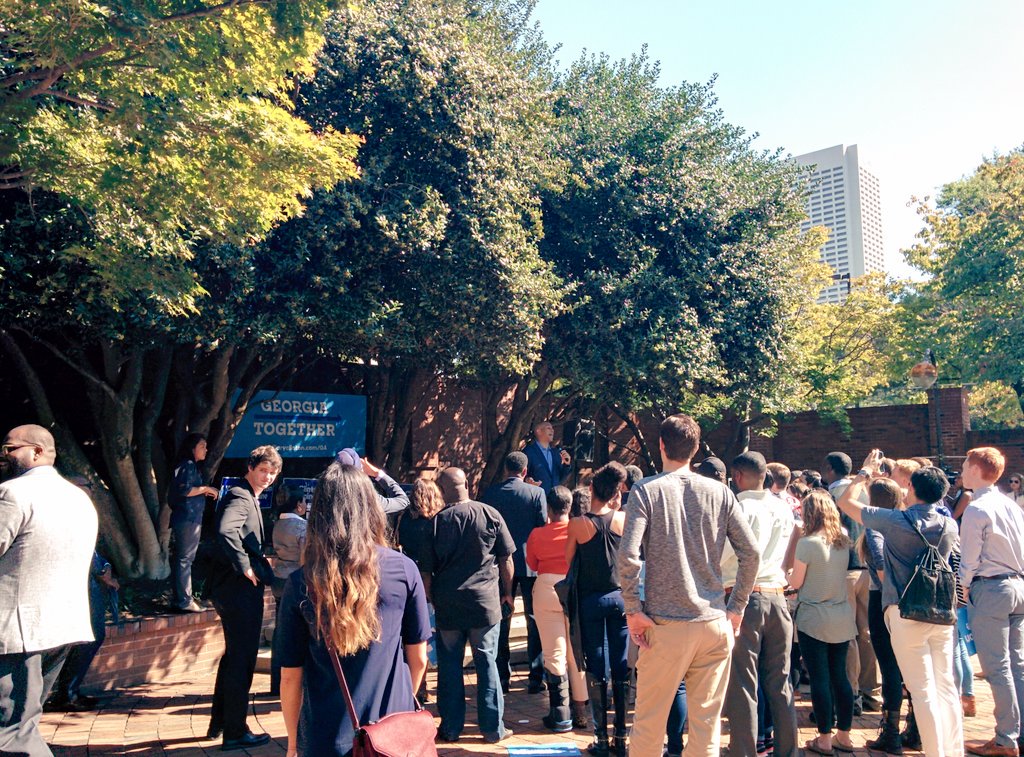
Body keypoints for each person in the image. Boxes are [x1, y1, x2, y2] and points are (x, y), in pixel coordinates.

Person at [618, 414, 760, 757]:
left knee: (649, 728)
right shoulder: (721, 492)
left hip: (665, 625)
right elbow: (751, 553)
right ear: (695, 450)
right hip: (713, 622)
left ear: (662, 445)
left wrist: (633, 610)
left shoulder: (646, 490)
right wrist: (736, 608)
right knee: (706, 729)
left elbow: (627, 556)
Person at [278, 463, 430, 757]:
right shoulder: (403, 569)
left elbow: (290, 676)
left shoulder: (301, 583)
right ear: (370, 508)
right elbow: (420, 658)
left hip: (325, 736)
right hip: (391, 734)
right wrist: (402, 700)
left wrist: (293, 743)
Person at [836, 451, 962, 757]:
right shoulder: (949, 525)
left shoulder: (897, 521)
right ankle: (952, 750)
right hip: (942, 611)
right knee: (945, 687)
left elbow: (846, 503)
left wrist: (864, 473)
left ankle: (936, 753)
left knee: (923, 691)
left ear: (913, 489)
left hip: (904, 611)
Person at [0, 424, 98, 755]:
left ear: (38, 451)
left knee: (11, 734)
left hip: (18, 631)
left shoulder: (13, 493)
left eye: (10, 449)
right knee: (23, 726)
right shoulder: (79, 498)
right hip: (61, 627)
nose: (4, 456)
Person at [420, 467, 516, 744]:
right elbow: (506, 559)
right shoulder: (490, 514)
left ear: (442, 490)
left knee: (450, 666)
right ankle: (492, 728)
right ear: (466, 485)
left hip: (449, 603)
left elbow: (426, 571)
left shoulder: (436, 523)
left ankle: (451, 727)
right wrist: (508, 593)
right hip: (484, 603)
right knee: (487, 663)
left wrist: (432, 600)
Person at [721, 452, 798, 757]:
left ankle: (744, 751)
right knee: (780, 682)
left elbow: (725, 554)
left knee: (743, 682)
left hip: (744, 598)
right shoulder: (783, 507)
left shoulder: (740, 507)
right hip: (778, 597)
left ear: (737, 476)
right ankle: (788, 751)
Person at [206, 445, 281, 750]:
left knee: (234, 657)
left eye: (273, 472)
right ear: (250, 467)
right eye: (263, 470)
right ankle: (235, 731)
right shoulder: (240, 494)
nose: (268, 477)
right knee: (242, 660)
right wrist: (245, 565)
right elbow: (226, 531)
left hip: (229, 589)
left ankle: (221, 722)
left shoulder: (245, 493)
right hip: (237, 590)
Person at [958, 447, 1024, 757]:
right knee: (1016, 664)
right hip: (1017, 585)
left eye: (964, 466)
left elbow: (968, 558)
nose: (960, 472)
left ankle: (1005, 738)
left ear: (974, 469)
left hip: (991, 588)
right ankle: (1015, 734)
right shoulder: (1011, 505)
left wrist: (964, 587)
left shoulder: (977, 508)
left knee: (998, 669)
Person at [566, 462, 629, 755]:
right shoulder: (623, 520)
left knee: (596, 665)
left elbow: (568, 562)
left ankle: (601, 737)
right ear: (615, 493)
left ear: (592, 489)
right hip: (619, 597)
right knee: (621, 664)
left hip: (590, 600)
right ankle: (621, 736)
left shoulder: (578, 524)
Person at [788, 490, 857, 755]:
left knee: (819, 678)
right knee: (840, 676)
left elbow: (795, 583)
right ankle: (845, 735)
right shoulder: (843, 538)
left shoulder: (807, 543)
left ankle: (825, 738)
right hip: (840, 614)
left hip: (813, 616)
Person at [481, 451, 547, 694]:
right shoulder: (536, 493)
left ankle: (502, 675)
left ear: (506, 469)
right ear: (525, 471)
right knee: (533, 618)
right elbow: (541, 525)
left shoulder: (491, 494)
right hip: (530, 560)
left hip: (500, 562)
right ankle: (535, 676)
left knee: (502, 617)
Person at [526, 485, 589, 732]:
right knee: (576, 652)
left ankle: (560, 713)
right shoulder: (580, 530)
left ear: (548, 508)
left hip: (546, 587)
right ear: (570, 506)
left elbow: (531, 562)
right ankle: (581, 710)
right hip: (573, 588)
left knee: (554, 651)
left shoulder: (536, 534)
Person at [823, 450, 879, 716]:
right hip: (868, 568)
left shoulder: (832, 495)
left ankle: (852, 692)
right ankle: (872, 692)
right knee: (867, 632)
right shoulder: (866, 492)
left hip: (843, 569)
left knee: (848, 635)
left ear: (830, 469)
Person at [857, 477, 907, 754]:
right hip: (909, 599)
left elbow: (878, 564)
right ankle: (914, 727)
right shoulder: (904, 520)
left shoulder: (876, 527)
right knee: (907, 667)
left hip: (884, 599)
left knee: (889, 666)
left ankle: (891, 732)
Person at [168, 433, 219, 612]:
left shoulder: (187, 466)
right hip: (188, 518)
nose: (206, 449)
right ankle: (184, 601)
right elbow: (184, 490)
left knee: (184, 559)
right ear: (192, 448)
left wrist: (202, 491)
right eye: (202, 446)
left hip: (187, 518)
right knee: (185, 559)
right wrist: (205, 488)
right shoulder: (188, 465)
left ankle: (181, 599)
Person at [268, 484, 308, 698]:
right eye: (303, 502)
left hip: (278, 578)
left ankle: (276, 681)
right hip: (296, 580)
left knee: (279, 630)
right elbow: (304, 555)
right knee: (297, 631)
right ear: (299, 505)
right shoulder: (302, 527)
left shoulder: (277, 525)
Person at [335, 448, 410, 514]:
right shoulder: (368, 499)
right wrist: (378, 474)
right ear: (359, 474)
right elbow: (403, 501)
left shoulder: (326, 496)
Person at [524, 420, 572, 492]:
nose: (552, 430)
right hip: (536, 497)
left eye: (552, 428)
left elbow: (561, 478)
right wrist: (527, 480)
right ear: (538, 431)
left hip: (554, 498)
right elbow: (522, 475)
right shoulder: (529, 452)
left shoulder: (556, 453)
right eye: (548, 428)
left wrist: (567, 465)